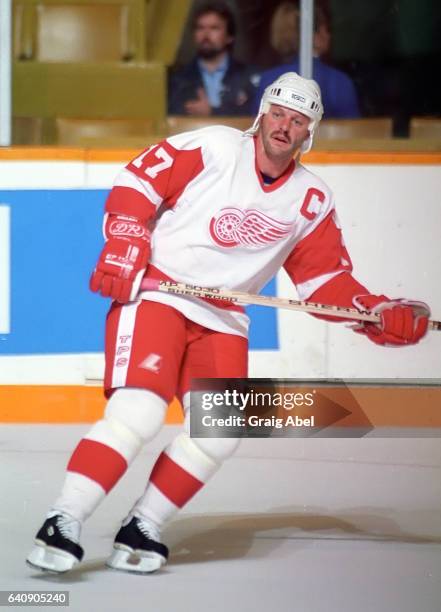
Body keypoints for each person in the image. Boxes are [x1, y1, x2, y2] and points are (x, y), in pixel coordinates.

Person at [26, 72, 429, 575]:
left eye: (298, 120)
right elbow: (139, 179)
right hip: (159, 294)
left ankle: (142, 525)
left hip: (225, 318)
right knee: (139, 412)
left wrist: (375, 313)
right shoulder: (215, 147)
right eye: (279, 113)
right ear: (262, 114)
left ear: (310, 133)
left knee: (219, 432)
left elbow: (324, 282)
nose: (285, 126)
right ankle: (62, 520)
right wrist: (126, 236)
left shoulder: (312, 200)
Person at [253, 1, 361, 119]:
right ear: (314, 35)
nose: (329, 36)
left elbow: (257, 129)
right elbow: (353, 131)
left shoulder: (268, 79)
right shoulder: (338, 81)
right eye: (326, 29)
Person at [168, 1, 259, 116]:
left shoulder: (249, 76)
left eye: (214, 28)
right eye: (200, 28)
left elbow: (257, 115)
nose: (206, 35)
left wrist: (213, 112)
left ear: (229, 37)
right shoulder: (177, 79)